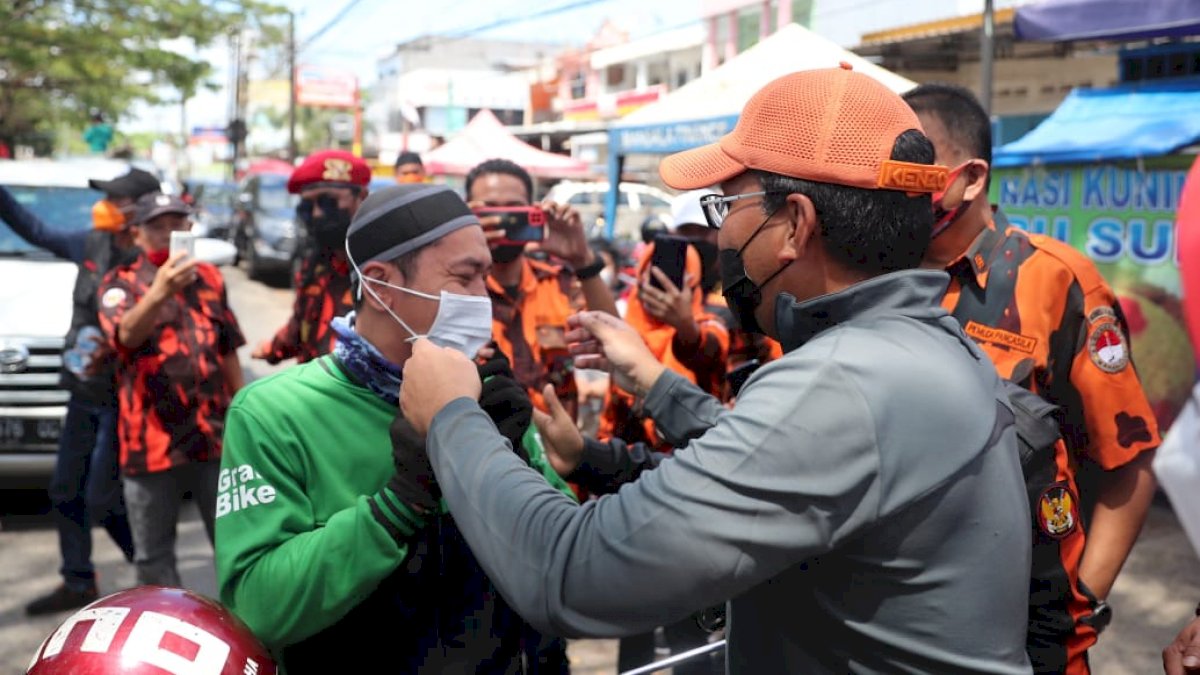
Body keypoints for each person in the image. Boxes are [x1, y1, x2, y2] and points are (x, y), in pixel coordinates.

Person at [399, 66, 1033, 674]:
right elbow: (780, 455)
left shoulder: (842, 381)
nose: (722, 235)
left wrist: (452, 417)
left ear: (794, 225)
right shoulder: (927, 344)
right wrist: (654, 383)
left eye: (726, 207)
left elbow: (569, 571)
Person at [215, 183, 572, 674]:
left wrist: (517, 464)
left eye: (485, 277)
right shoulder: (274, 413)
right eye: (465, 277)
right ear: (381, 286)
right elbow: (258, 608)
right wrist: (399, 502)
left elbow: (566, 562)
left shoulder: (482, 392)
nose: (483, 298)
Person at [903, 83, 1161, 674]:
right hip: (904, 627)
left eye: (915, 168)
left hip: (1027, 637)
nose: (896, 184)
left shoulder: (1055, 281)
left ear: (970, 178)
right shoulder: (869, 279)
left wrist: (1080, 606)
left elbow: (1129, 462)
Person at [0, 168, 159, 614]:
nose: (103, 207)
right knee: (64, 490)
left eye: (114, 199)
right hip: (83, 392)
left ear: (139, 208)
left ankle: (156, 579)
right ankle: (78, 580)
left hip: (123, 398)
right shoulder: (92, 245)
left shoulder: (153, 261)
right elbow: (35, 230)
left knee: (104, 499)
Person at [96, 192, 245, 587]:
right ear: (137, 234)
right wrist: (159, 290)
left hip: (213, 438)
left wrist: (244, 409)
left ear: (190, 228)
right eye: (157, 227)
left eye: (176, 225)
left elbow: (228, 347)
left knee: (237, 548)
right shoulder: (119, 283)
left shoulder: (209, 277)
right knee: (154, 561)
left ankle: (242, 624)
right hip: (150, 442)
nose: (167, 233)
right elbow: (124, 336)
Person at [464, 158, 618, 415]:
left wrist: (583, 260)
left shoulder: (560, 283)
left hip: (557, 437)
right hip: (480, 434)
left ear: (532, 211)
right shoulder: (453, 291)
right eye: (490, 212)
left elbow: (617, 344)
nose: (503, 222)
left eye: (514, 211)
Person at [599, 229, 729, 452]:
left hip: (689, 459)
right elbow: (611, 417)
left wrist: (684, 324)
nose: (662, 287)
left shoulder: (710, 324)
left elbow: (708, 349)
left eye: (675, 279)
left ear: (692, 285)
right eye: (653, 276)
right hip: (627, 459)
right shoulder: (628, 331)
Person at [252, 150, 369, 365]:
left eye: (328, 202)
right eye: (307, 206)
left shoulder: (381, 269)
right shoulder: (315, 265)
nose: (316, 214)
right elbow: (300, 326)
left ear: (361, 198)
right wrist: (271, 348)